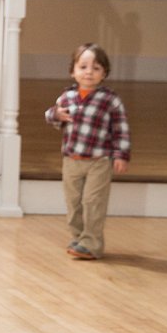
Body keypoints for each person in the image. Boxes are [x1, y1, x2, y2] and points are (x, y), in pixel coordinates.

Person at [47, 43, 131, 260]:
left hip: (99, 160)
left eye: (96, 68)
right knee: (73, 202)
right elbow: (53, 117)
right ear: (72, 71)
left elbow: (120, 129)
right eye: (83, 67)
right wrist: (55, 115)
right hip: (71, 159)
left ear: (104, 73)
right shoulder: (66, 97)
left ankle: (92, 244)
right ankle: (79, 238)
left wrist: (121, 155)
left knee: (93, 202)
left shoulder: (110, 100)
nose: (89, 72)